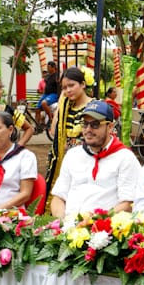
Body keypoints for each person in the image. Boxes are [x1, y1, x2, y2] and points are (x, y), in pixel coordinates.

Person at [50, 100, 140, 218]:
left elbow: (128, 204)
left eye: (95, 124)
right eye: (85, 124)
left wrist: (93, 221)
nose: (88, 129)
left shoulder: (125, 158)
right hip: (69, 224)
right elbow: (58, 197)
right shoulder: (73, 155)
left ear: (110, 127)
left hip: (104, 226)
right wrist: (62, 222)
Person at [45, 66, 93, 196]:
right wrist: (61, 102)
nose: (68, 90)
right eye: (64, 88)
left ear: (83, 84)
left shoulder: (95, 106)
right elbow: (53, 131)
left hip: (88, 162)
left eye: (71, 85)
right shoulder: (66, 107)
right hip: (66, 162)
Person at [36, 61, 60, 125]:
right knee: (37, 109)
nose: (47, 68)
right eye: (47, 67)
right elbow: (45, 86)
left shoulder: (57, 76)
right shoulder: (47, 76)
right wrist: (43, 94)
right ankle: (37, 126)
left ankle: (50, 118)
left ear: (53, 67)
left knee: (44, 103)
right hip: (46, 94)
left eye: (49, 67)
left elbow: (60, 86)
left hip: (54, 94)